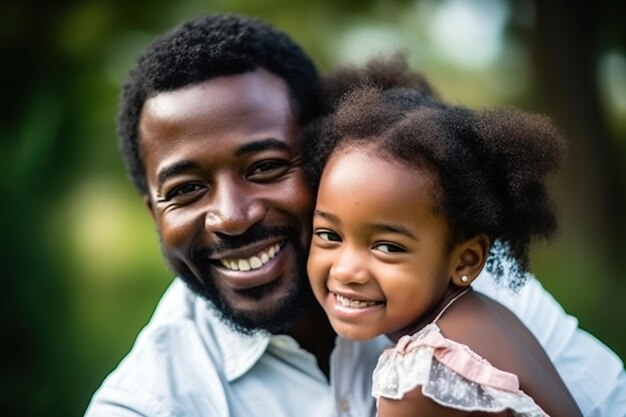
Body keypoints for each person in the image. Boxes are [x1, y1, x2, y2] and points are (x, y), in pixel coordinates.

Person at [84, 13, 625, 417]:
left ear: (328, 154)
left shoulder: (460, 274)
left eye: (266, 166)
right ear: (154, 213)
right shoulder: (145, 403)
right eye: (187, 189)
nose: (231, 216)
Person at [303, 63, 582, 416]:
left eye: (388, 246)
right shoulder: (489, 318)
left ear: (465, 260)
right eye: (329, 235)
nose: (347, 270)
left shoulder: (422, 377)